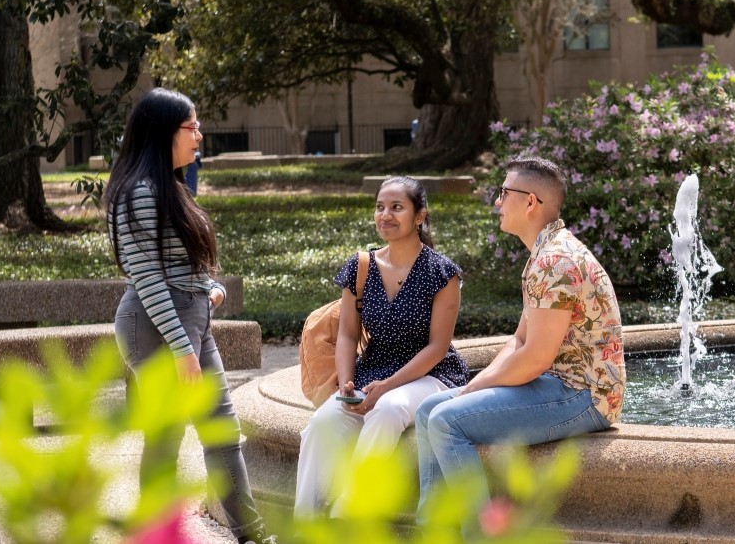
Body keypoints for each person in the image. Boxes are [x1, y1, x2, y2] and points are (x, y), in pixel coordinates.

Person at [412, 156, 624, 523]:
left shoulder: (555, 261)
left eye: (503, 193)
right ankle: (430, 525)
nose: (497, 202)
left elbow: (535, 358)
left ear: (530, 202)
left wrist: (475, 388)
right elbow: (519, 341)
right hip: (558, 386)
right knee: (427, 410)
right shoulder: (545, 253)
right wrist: (477, 385)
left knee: (447, 421)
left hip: (584, 396)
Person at [106, 88, 265, 544]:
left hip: (188, 320)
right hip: (156, 328)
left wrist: (209, 287)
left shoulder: (168, 185)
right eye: (191, 126)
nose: (200, 135)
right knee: (166, 438)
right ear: (163, 132)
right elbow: (148, 277)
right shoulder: (136, 191)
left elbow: (180, 262)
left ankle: (252, 536)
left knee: (222, 432)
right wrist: (182, 348)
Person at [294, 176, 468, 516]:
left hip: (430, 374)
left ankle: (347, 515)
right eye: (380, 207)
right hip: (371, 371)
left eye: (397, 207)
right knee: (323, 424)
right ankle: (304, 524)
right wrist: (346, 384)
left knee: (387, 410)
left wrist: (387, 387)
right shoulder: (360, 267)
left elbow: (437, 347)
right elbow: (346, 334)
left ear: (420, 216)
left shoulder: (443, 273)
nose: (385, 215)